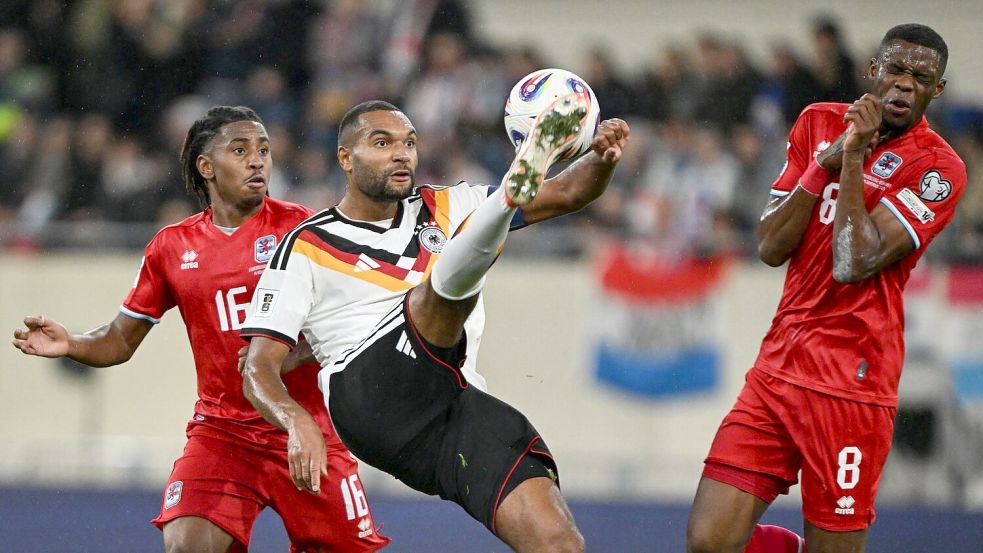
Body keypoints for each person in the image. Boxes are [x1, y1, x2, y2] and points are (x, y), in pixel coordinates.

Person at [239, 95, 629, 553]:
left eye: (408, 142)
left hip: (452, 404)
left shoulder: (451, 203)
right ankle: (509, 195)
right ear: (346, 157)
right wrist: (297, 421)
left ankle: (509, 196)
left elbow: (568, 192)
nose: (401, 153)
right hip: (368, 394)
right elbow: (256, 367)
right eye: (382, 142)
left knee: (559, 542)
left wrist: (602, 159)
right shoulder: (304, 246)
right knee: (437, 292)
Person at [11, 106, 390, 553]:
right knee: (186, 544)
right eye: (241, 149)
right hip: (223, 435)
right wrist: (72, 342)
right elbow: (118, 339)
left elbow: (365, 315)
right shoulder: (172, 247)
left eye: (264, 150)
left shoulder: (304, 229)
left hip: (308, 430)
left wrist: (293, 355)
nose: (257, 161)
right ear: (206, 167)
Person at [687, 24, 965, 553]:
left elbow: (853, 261)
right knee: (707, 541)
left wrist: (855, 157)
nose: (904, 86)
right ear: (872, 71)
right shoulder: (817, 122)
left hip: (853, 387)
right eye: (896, 71)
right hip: (777, 370)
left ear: (937, 91)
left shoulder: (939, 169)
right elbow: (769, 246)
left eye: (920, 78)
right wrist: (825, 162)